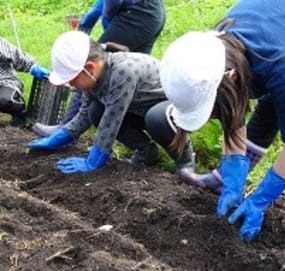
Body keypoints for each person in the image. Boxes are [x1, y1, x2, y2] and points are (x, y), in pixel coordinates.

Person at [158, 0, 285, 263]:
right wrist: (232, 177)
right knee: (274, 99)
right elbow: (232, 104)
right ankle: (224, 179)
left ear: (230, 76)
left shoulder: (278, 59)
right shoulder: (214, 51)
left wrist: (260, 200)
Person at [27, 31, 194, 180]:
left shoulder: (123, 72)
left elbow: (112, 120)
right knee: (95, 112)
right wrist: (59, 137)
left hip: (167, 109)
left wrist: (93, 161)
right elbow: (84, 113)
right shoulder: (93, 80)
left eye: (72, 79)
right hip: (137, 108)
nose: (71, 84)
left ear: (89, 68)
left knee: (155, 119)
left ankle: (185, 160)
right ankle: (146, 151)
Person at [32, 0, 165, 137]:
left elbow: (112, 5)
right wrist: (96, 12)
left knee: (86, 63)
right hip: (152, 11)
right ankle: (138, 139)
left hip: (136, 14)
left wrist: (106, 16)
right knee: (132, 83)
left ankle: (67, 127)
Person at [0, 37, 49, 126]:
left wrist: (33, 67)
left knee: (4, 101)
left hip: (4, 81)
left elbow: (14, 54)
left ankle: (19, 111)